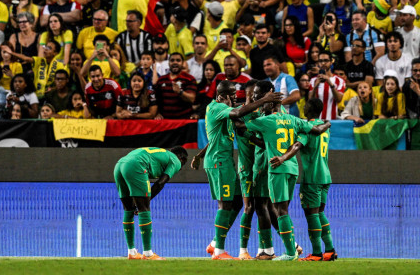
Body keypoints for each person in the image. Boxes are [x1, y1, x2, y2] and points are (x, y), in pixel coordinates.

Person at [245, 80, 329, 261]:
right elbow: (315, 129)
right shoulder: (293, 119)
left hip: (276, 168)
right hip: (293, 168)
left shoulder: (265, 121)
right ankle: (293, 248)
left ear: (269, 101)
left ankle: (290, 252)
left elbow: (243, 123)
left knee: (279, 210)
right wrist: (327, 124)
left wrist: (256, 104)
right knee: (284, 210)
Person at [200, 80, 282, 260]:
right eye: (230, 96)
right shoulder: (217, 108)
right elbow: (238, 112)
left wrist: (200, 154)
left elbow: (216, 134)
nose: (233, 100)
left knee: (237, 202)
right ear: (221, 96)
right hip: (219, 162)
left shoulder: (220, 110)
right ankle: (219, 251)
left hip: (224, 161)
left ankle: (215, 243)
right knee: (225, 205)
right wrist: (263, 100)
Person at [113, 145, 188, 260]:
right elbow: (160, 183)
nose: (180, 168)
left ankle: (132, 252)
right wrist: (145, 201)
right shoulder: (176, 160)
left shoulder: (162, 154)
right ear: (182, 159)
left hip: (120, 164)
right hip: (136, 165)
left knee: (128, 209)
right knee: (144, 210)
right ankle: (148, 254)